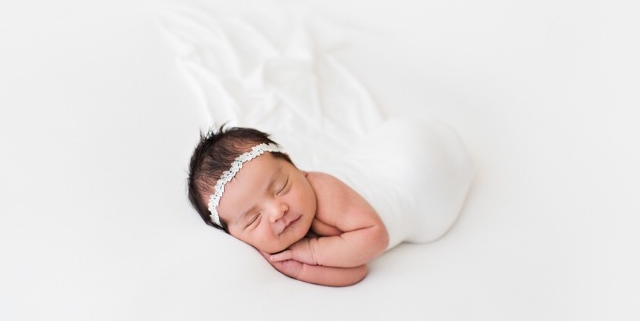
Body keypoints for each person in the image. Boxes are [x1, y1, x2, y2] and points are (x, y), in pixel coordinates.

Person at [188, 118, 474, 287]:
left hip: (419, 170)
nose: (278, 211)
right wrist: (297, 267)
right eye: (253, 219)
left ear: (297, 168)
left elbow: (375, 237)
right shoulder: (287, 238)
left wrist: (312, 252)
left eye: (282, 186)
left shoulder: (324, 191)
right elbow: (356, 272)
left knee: (428, 188)